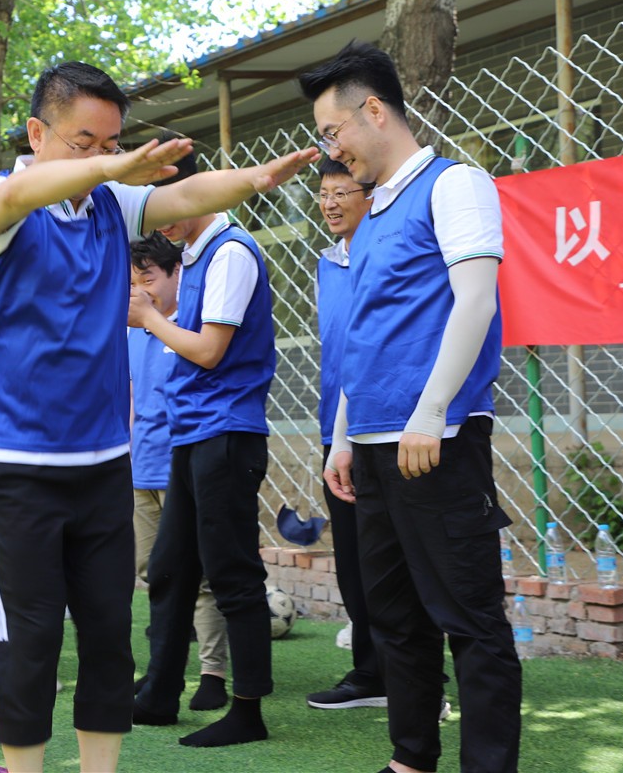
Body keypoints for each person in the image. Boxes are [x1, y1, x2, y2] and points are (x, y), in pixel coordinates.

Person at [0, 60, 317, 772]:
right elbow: (21, 193)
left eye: (113, 142)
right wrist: (111, 167)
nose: (103, 156)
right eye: (84, 142)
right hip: (12, 460)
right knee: (27, 637)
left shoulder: (108, 206)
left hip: (101, 461)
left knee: (109, 634)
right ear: (37, 133)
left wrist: (255, 179)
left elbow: (185, 193)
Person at [301, 40, 520, 773]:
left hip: (436, 440)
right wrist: (341, 438)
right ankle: (411, 759)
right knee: (394, 617)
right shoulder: (372, 216)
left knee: (470, 620)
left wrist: (430, 413)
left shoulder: (454, 184)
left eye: (333, 132)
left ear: (374, 111)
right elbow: (363, 339)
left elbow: (476, 301)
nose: (331, 150)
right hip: (369, 447)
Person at [126, 148, 280, 749]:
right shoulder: (194, 254)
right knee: (169, 569)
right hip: (192, 434)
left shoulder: (232, 251)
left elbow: (211, 351)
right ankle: (159, 693)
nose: (159, 218)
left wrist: (149, 318)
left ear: (202, 192)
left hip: (227, 434)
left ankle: (248, 710)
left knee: (232, 573)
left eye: (167, 202)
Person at [128, 230, 230, 713]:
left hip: (184, 468)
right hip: (140, 471)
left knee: (203, 575)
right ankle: (162, 671)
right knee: (152, 572)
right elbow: (130, 399)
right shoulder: (130, 331)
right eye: (132, 282)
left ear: (175, 274)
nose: (139, 291)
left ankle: (213, 674)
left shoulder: (191, 326)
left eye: (148, 278)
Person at [305, 160, 386, 709]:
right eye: (323, 193)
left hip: (386, 423)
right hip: (336, 428)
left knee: (393, 558)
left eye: (341, 192)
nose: (330, 203)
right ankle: (371, 672)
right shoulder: (326, 262)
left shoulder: (387, 253)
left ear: (369, 196)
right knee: (354, 557)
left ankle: (417, 675)